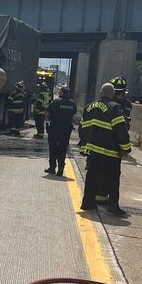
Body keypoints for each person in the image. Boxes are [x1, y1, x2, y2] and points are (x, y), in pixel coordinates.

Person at [79, 83, 131, 216]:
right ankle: (113, 206)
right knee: (113, 179)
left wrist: (85, 146)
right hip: (110, 152)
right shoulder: (114, 108)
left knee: (91, 177)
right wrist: (126, 148)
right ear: (112, 94)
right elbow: (121, 130)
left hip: (93, 151)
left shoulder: (88, 107)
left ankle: (87, 203)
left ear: (100, 93)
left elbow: (82, 128)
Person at [45, 86, 76, 175]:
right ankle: (61, 168)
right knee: (63, 149)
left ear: (62, 93)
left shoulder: (55, 102)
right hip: (66, 130)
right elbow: (74, 117)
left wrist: (47, 123)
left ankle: (52, 168)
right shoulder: (72, 104)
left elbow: (47, 113)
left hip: (54, 128)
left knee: (53, 148)